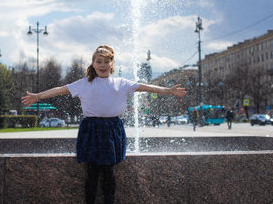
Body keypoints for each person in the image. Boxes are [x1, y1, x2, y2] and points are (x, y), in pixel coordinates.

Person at [21, 45, 187, 204]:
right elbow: (59, 89)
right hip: (91, 129)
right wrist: (38, 96)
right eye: (98, 61)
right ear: (93, 64)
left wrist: (169, 91)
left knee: (109, 173)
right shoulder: (84, 83)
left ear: (112, 64)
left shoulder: (121, 83)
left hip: (112, 129)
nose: (102, 65)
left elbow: (146, 87)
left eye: (106, 61)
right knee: (91, 173)